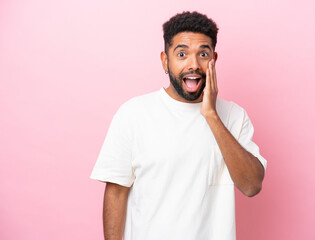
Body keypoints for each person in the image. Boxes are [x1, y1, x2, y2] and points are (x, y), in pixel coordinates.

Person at [90, 11, 267, 240]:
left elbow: (252, 186)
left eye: (203, 54)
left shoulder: (234, 116)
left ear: (214, 60)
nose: (193, 64)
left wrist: (212, 115)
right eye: (182, 54)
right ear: (165, 60)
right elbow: (116, 194)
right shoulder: (133, 114)